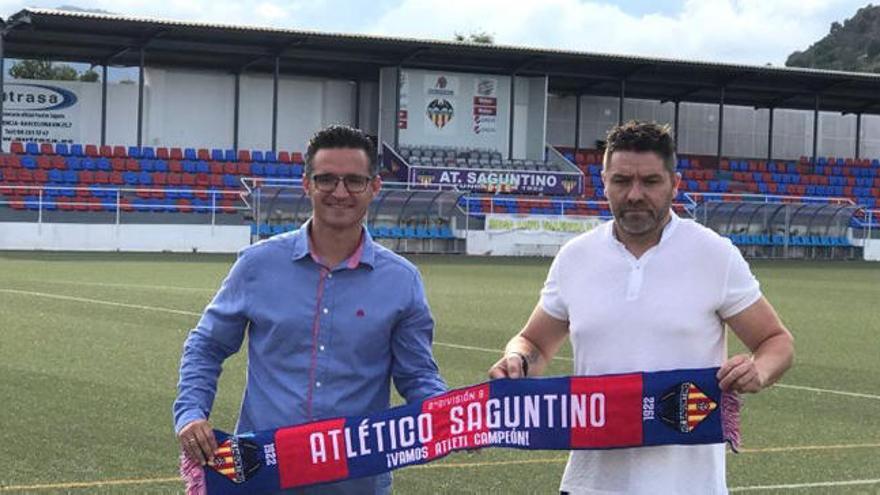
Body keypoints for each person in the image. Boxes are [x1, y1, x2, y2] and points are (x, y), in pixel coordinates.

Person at [488, 121, 794, 495]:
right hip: (590, 484)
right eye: (621, 181)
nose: (634, 194)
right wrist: (516, 359)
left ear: (674, 184)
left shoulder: (713, 254)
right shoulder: (575, 258)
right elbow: (534, 343)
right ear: (604, 182)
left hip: (689, 486)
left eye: (650, 181)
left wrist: (758, 371)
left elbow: (776, 341)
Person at [173, 125, 447, 494]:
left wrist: (454, 419)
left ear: (374, 188)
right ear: (306, 184)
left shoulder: (402, 280)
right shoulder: (257, 265)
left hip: (356, 482)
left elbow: (417, 376)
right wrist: (191, 414)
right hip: (261, 475)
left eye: (354, 181)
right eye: (326, 180)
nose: (340, 192)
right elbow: (206, 346)